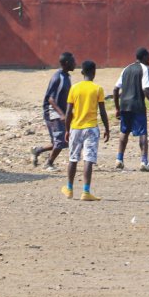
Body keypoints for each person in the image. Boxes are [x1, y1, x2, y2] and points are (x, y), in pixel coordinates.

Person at [62, 60, 110, 201]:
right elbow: (102, 111)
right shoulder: (98, 89)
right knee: (88, 159)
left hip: (76, 128)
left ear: (82, 72)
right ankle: (86, 191)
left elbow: (68, 111)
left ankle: (69, 189)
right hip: (91, 128)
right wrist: (107, 128)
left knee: (73, 158)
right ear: (94, 72)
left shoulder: (74, 88)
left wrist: (67, 130)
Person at [114, 47, 149, 172]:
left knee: (124, 131)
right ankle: (144, 161)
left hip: (124, 105)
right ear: (144, 57)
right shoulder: (145, 69)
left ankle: (119, 159)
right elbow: (146, 89)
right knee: (142, 133)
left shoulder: (126, 69)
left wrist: (117, 108)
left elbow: (115, 89)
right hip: (137, 105)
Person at [31, 52, 75, 171]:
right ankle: (48, 163)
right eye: (73, 61)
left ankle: (37, 150)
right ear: (66, 63)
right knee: (60, 140)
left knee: (60, 141)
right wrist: (62, 114)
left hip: (61, 112)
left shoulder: (68, 77)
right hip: (53, 112)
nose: (75, 63)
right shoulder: (58, 77)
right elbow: (51, 98)